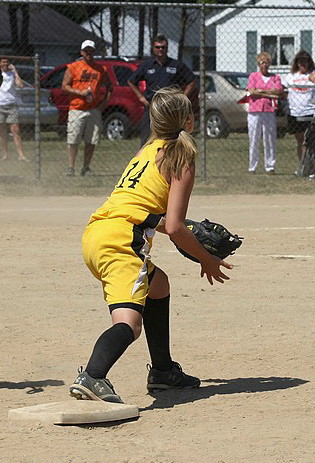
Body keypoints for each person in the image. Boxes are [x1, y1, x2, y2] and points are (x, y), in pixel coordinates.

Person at [68, 86, 232, 404]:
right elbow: (174, 226)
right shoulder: (183, 157)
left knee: (159, 286)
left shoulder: (146, 150)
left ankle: (163, 372)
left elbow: (146, 213)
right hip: (121, 242)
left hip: (97, 233)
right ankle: (92, 376)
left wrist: (185, 231)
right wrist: (206, 260)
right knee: (129, 324)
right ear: (187, 120)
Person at [127, 35, 197, 145]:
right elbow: (131, 81)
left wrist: (182, 97)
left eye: (163, 47)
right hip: (152, 108)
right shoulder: (147, 65)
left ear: (167, 48)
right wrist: (141, 97)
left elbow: (192, 81)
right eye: (157, 47)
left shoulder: (176, 65)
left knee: (172, 140)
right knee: (146, 141)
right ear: (153, 48)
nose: (160, 50)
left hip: (171, 109)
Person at [62, 40, 113, 176]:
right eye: (86, 51)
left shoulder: (101, 69)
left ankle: (86, 167)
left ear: (94, 52)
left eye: (91, 51)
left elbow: (109, 87)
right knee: (73, 140)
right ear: (82, 52)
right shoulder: (73, 67)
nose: (88, 53)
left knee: (91, 140)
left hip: (93, 109)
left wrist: (103, 105)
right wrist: (80, 92)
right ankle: (70, 168)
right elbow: (64, 86)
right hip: (77, 109)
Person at [281, 50, 315, 177]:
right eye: (300, 61)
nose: (303, 64)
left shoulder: (313, 75)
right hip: (295, 112)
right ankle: (303, 166)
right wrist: (286, 98)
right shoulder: (291, 76)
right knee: (300, 140)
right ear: (297, 63)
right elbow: (281, 89)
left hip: (311, 112)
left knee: (310, 140)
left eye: (305, 61)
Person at [246, 52, 283, 174]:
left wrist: (260, 91)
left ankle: (270, 166)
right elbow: (251, 92)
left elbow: (277, 92)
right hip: (254, 110)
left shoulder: (275, 77)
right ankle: (252, 166)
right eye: (262, 62)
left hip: (269, 110)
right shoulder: (253, 76)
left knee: (269, 138)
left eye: (266, 62)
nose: (264, 65)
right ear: (258, 64)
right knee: (254, 138)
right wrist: (267, 93)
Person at [0, 57, 27, 162]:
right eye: (3, 62)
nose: (5, 64)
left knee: (15, 130)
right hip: (0, 105)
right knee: (1, 131)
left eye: (7, 62)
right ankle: (4, 155)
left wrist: (15, 71)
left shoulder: (12, 74)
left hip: (11, 105)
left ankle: (21, 155)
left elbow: (21, 85)